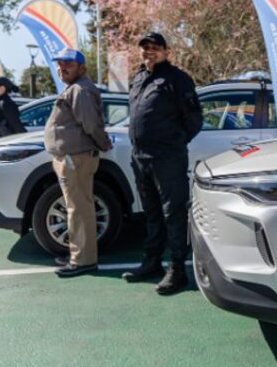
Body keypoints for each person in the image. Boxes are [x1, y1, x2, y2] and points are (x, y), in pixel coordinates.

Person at [122, 31, 203, 295]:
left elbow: (194, 119)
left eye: (155, 47)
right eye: (145, 47)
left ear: (167, 51)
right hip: (141, 157)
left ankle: (177, 270)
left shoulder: (177, 79)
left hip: (167, 158)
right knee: (152, 213)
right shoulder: (139, 78)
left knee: (173, 213)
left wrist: (174, 142)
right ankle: (152, 262)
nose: (149, 51)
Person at [44, 49, 113, 278]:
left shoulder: (81, 90)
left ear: (82, 67)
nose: (63, 68)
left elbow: (91, 124)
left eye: (69, 64)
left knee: (79, 209)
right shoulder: (75, 88)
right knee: (77, 208)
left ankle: (83, 261)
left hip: (76, 159)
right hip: (72, 158)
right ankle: (79, 255)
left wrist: (103, 144)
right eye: (61, 64)